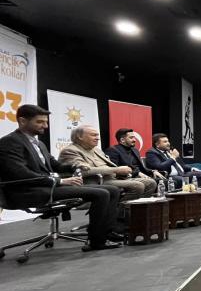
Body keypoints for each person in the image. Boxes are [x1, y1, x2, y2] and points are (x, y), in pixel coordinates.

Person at [0, 104, 121, 251]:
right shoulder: (9, 142)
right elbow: (20, 174)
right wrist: (60, 181)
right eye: (40, 122)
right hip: (27, 191)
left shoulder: (39, 143)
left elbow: (55, 165)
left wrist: (74, 166)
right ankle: (97, 241)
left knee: (113, 190)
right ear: (22, 121)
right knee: (101, 193)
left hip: (46, 187)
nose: (45, 126)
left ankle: (107, 232)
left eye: (46, 122)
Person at [59, 125, 156, 201]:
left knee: (151, 183)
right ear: (80, 137)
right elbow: (82, 171)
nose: (97, 138)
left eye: (97, 135)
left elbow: (109, 165)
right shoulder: (70, 151)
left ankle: (133, 211)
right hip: (96, 182)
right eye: (93, 135)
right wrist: (116, 170)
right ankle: (118, 212)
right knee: (137, 186)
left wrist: (123, 172)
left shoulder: (96, 150)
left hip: (113, 178)